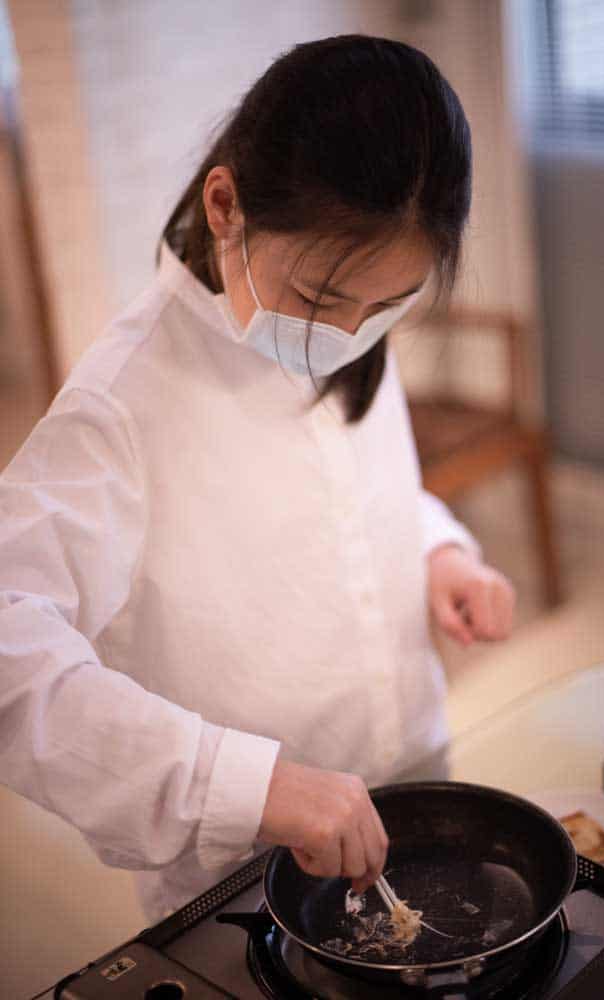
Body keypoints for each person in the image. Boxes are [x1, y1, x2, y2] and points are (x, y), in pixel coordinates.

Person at [0, 34, 515, 925]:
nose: (349, 334)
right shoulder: (122, 402)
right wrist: (248, 784)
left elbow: (352, 490)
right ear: (225, 205)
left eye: (386, 305)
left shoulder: (345, 322)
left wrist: (436, 552)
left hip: (408, 773)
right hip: (248, 867)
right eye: (320, 301)